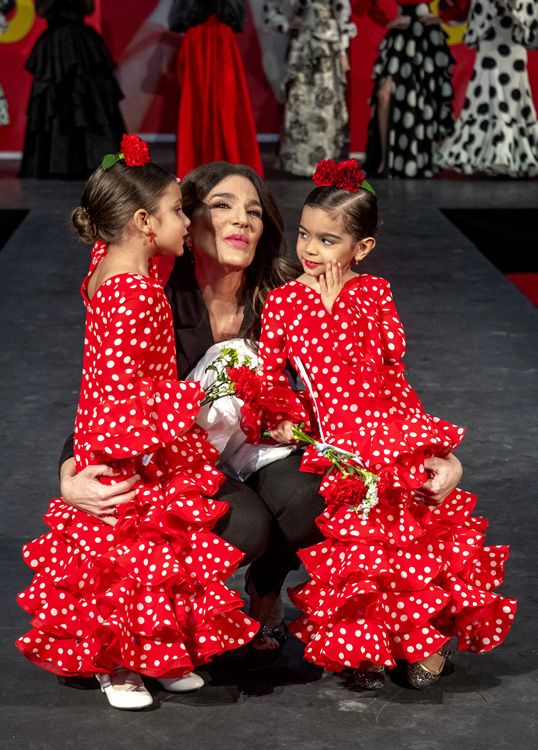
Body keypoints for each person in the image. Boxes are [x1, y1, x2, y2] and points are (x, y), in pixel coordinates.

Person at [58, 160, 464, 659]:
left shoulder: (292, 290)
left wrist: (440, 453)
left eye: (253, 210)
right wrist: (69, 471)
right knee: (243, 527)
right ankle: (173, 625)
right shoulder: (150, 291)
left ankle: (266, 590)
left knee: (322, 497)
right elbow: (106, 388)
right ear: (183, 219)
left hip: (267, 446)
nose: (241, 220)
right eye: (221, 207)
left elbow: (370, 382)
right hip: (185, 461)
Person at [247, 158, 517, 688]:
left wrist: (335, 316)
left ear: (360, 249)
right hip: (338, 441)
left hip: (390, 426)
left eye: (327, 240)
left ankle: (426, 639)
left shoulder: (374, 295)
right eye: (304, 234)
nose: (309, 249)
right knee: (361, 552)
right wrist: (280, 418)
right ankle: (366, 643)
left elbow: (386, 371)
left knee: (412, 540)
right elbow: (273, 379)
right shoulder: (282, 303)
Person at [16, 137, 259, 711]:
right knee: (126, 562)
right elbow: (125, 389)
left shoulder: (111, 261)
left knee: (162, 558)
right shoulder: (133, 293)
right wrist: (184, 407)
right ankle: (117, 664)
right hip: (126, 443)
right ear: (145, 223)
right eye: (180, 210)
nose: (188, 219)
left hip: (135, 434)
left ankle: (160, 652)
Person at [19, 0, 125, 179]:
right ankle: (61, 163)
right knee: (58, 102)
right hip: (61, 46)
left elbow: (88, 9)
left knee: (87, 101)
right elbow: (42, 10)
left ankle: (92, 160)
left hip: (74, 44)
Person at [436, 0, 538, 177]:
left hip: (513, 39)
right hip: (489, 37)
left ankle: (509, 158)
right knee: (486, 95)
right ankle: (491, 157)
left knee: (513, 97)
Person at [168, 0, 263, 177]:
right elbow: (178, 18)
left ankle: (228, 160)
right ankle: (198, 162)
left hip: (221, 40)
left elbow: (236, 16)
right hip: (198, 41)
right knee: (196, 102)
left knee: (227, 102)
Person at [263, 1, 357, 176]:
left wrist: (343, 51)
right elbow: (269, 8)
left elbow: (341, 11)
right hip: (301, 50)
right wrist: (285, 23)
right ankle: (298, 163)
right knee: (299, 105)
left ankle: (324, 163)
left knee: (325, 105)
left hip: (327, 48)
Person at [363, 2, 455, 178]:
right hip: (400, 36)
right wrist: (385, 21)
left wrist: (442, 18)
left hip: (425, 37)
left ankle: (417, 160)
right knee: (384, 96)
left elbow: (461, 5)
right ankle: (386, 159)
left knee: (421, 99)